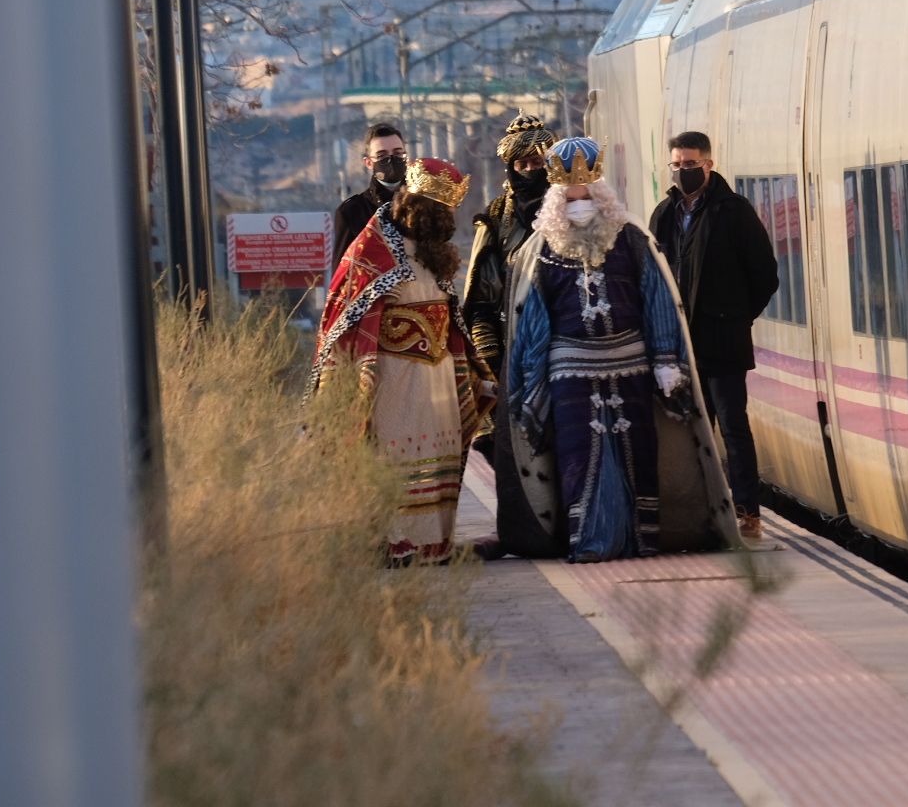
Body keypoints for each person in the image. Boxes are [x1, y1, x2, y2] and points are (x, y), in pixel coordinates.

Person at [500, 136, 740, 562]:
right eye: (572, 190)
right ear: (558, 193)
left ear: (600, 187)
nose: (580, 196)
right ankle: (589, 541)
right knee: (578, 456)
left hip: (630, 363)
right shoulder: (540, 247)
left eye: (587, 187)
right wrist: (532, 376)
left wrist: (666, 359)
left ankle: (639, 538)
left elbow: (656, 298)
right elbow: (533, 320)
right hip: (568, 368)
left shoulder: (630, 236)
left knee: (638, 453)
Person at [310, 157, 489, 565]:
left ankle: (433, 544)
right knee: (398, 460)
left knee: (438, 457)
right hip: (393, 376)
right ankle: (395, 542)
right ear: (418, 207)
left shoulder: (432, 253)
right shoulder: (371, 248)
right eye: (439, 211)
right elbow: (348, 317)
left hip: (438, 374)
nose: (445, 220)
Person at [648, 131, 778, 541]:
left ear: (709, 164)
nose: (684, 171)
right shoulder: (664, 214)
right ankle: (697, 506)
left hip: (723, 339)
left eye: (691, 164)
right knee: (686, 428)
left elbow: (765, 275)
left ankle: (746, 510)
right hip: (679, 344)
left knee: (733, 425)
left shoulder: (733, 212)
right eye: (678, 164)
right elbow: (652, 276)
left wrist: (737, 317)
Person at [462, 111, 557, 393]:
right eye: (522, 164)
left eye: (537, 162)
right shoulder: (496, 216)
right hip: (516, 341)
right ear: (510, 168)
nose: (529, 170)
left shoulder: (570, 207)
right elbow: (480, 300)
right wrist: (491, 355)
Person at [332, 121, 407, 264]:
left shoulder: (424, 204)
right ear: (368, 163)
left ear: (405, 157)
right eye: (382, 155)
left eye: (397, 153)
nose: (391, 160)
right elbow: (341, 275)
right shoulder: (352, 212)